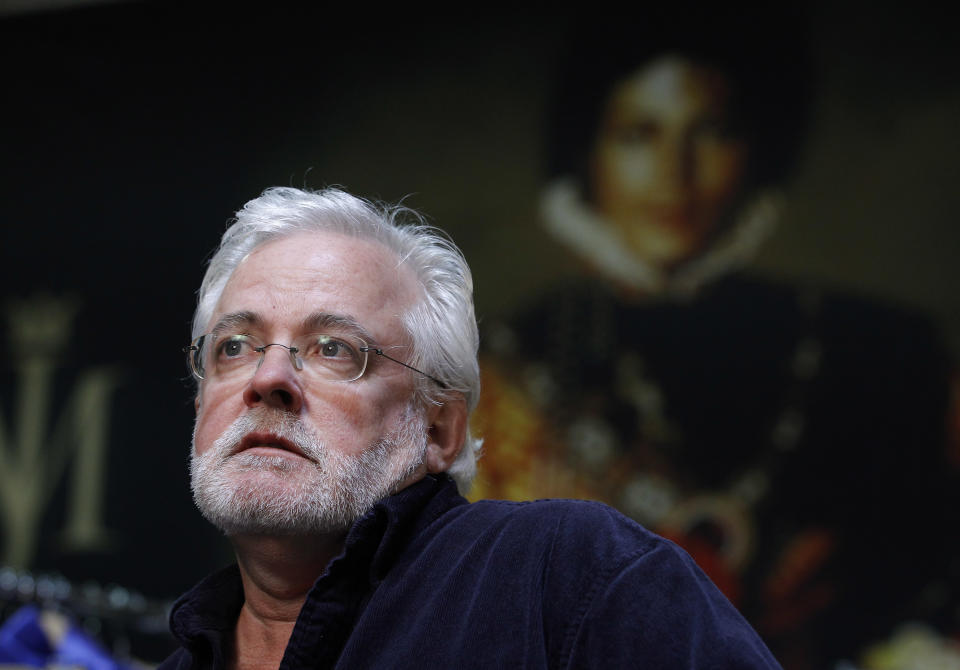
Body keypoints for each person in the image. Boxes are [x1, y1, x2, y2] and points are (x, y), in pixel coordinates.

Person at [474, 6, 960, 669]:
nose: (674, 173)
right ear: (586, 151)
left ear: (758, 149)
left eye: (713, 132)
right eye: (639, 134)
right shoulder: (507, 362)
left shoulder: (878, 348)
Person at [158, 186, 780, 669]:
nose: (268, 378)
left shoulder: (570, 577)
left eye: (334, 350)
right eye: (234, 346)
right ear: (199, 405)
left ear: (440, 427)